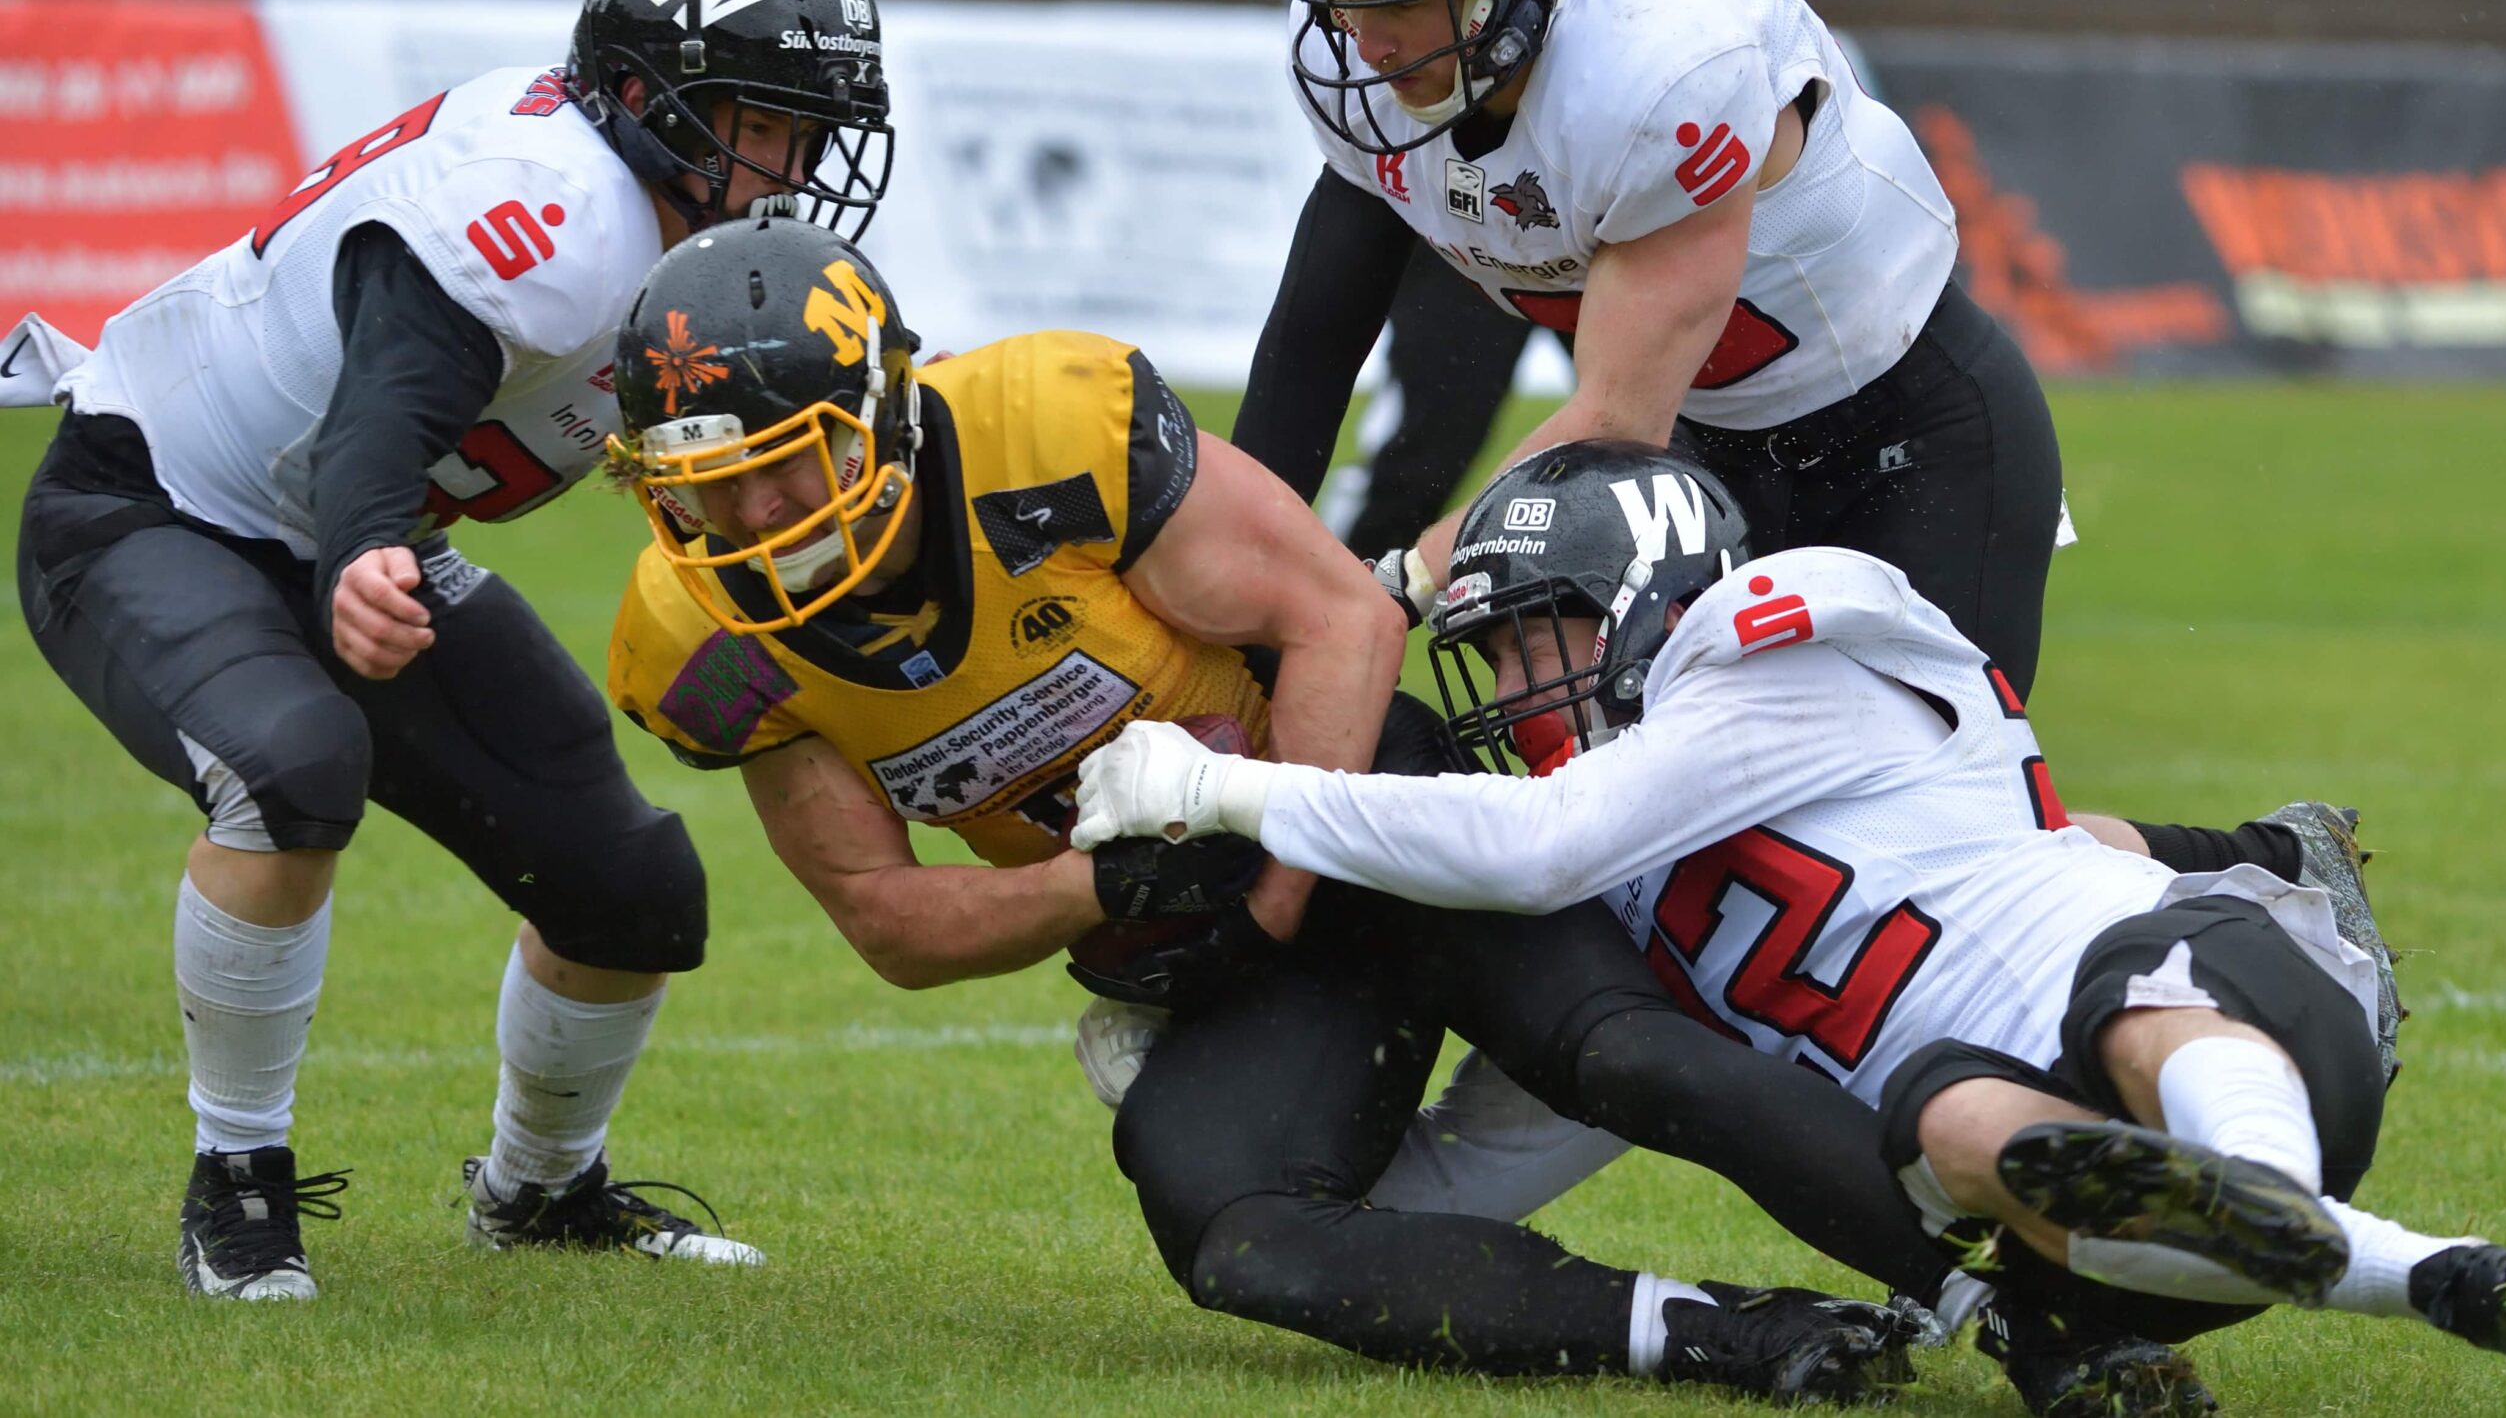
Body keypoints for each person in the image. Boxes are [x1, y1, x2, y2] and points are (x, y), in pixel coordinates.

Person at [602, 217, 1944, 1401]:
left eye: (789, 463)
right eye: (706, 484)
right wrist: (1105, 889)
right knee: (1237, 1232)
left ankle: (2002, 1279)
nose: (754, 514)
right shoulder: (696, 638)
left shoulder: (1045, 430)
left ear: (885, 413)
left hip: (1358, 801)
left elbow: (1343, 618)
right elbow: (886, 918)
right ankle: (1728, 1335)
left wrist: (1271, 884)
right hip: (1199, 929)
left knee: (1622, 1053)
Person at [1238, 0, 2399, 1098]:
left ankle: (2256, 870)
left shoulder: (1661, 65)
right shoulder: (1378, 70)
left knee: (1932, 850)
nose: (1366, 41)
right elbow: (1313, 338)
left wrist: (1382, 587)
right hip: (1720, 452)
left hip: (1907, 437)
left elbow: (1611, 421)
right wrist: (1246, 559)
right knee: (1729, 861)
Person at [1073, 441, 2506, 1413]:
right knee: (1942, 1121)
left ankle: (2327, 1218)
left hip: (2233, 994)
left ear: (1650, 591)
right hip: (2115, 1234)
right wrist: (1217, 1073)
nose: (1516, 687)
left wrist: (1223, 787)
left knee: (2132, 994)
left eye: (1537, 634)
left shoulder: (1780, 643)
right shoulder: (1634, 907)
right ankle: (2355, 1253)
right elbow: (1471, 1168)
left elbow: (1538, 843)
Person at [5, 0, 892, 1300]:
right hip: (153, 502)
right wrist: (367, 547)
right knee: (293, 768)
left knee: (632, 892)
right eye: (768, 122)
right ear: (648, 98)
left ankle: (537, 1192)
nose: (799, 166)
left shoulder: (663, 226)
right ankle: (237, 1181)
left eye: (814, 128)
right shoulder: (554, 205)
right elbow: (383, 405)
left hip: (345, 528)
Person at [1323, 0, 1715, 563]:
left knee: (1677, 440)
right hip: (1469, 168)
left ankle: (1680, 626)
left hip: (1610, 184)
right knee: (1423, 442)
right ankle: (1338, 600)